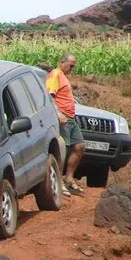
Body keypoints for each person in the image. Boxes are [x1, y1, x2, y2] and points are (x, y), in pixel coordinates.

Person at [45, 53, 85, 197]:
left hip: (71, 118)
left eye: (74, 66)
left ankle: (69, 177)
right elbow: (50, 95)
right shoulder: (55, 74)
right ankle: (58, 181)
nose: (72, 68)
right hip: (63, 118)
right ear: (62, 62)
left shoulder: (64, 77)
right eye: (71, 65)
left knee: (79, 146)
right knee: (63, 150)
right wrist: (58, 113)